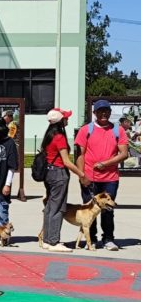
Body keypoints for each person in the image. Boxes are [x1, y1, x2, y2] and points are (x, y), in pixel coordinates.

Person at [74, 99, 128, 251]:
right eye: (100, 111)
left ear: (110, 112)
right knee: (89, 210)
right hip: (90, 178)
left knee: (108, 209)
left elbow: (124, 153)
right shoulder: (86, 130)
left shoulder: (118, 130)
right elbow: (80, 155)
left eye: (106, 110)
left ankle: (108, 239)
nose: (103, 113)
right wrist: (82, 175)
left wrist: (105, 164)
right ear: (94, 113)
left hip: (110, 178)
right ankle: (91, 239)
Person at [39, 108, 85, 253]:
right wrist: (81, 174)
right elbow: (66, 161)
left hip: (49, 173)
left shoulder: (49, 135)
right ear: (60, 120)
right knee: (58, 208)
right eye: (66, 117)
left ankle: (47, 240)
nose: (68, 119)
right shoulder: (59, 137)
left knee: (50, 207)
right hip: (59, 174)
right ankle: (53, 241)